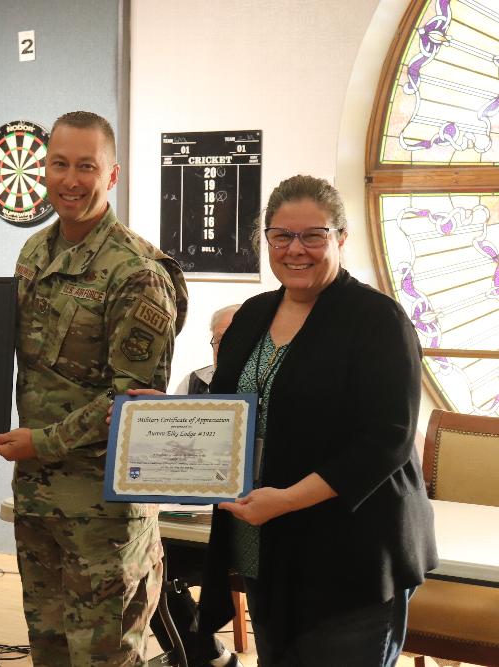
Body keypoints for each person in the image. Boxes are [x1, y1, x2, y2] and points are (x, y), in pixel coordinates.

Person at [0, 111, 188, 666]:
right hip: (39, 497)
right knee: (48, 648)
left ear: (111, 175)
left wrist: (39, 443)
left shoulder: (136, 272)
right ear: (44, 169)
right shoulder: (34, 255)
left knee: (107, 657)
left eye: (86, 166)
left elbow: (132, 403)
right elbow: (28, 355)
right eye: (59, 164)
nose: (70, 179)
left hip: (104, 513)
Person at [194, 175, 437, 666]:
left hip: (352, 554)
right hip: (268, 543)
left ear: (340, 238)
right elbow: (223, 407)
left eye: (313, 235)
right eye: (282, 236)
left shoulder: (378, 320)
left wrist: (287, 500)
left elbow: (387, 439)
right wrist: (159, 416)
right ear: (267, 241)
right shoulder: (252, 315)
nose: (295, 249)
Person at [150, 303, 244, 667]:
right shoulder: (195, 381)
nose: (225, 347)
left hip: (256, 520)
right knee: (153, 563)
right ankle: (206, 655)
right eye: (219, 340)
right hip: (197, 516)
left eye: (236, 339)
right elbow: (171, 452)